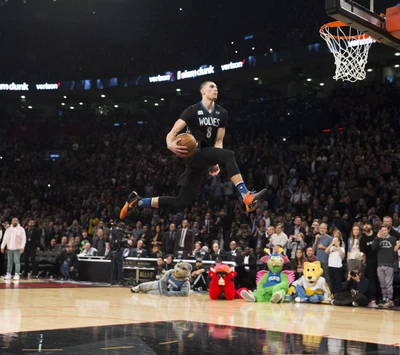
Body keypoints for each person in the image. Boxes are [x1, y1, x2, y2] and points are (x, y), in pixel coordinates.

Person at [120, 81, 267, 218]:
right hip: (194, 151)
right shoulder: (192, 110)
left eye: (216, 87)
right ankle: (246, 195)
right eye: (211, 87)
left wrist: (215, 161)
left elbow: (219, 140)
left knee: (181, 202)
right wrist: (170, 144)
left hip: (203, 158)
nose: (215, 89)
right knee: (230, 155)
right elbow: (172, 133)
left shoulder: (222, 113)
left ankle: (138, 201)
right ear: (202, 91)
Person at [372, 224, 400, 308]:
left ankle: (390, 300)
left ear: (388, 230)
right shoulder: (377, 239)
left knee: (388, 284)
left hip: (389, 264)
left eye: (385, 230)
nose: (384, 231)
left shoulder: (392, 239)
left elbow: (394, 250)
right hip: (380, 264)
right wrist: (377, 238)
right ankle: (384, 299)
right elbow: (373, 248)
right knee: (382, 284)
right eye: (382, 230)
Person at [360, 221, 379, 307]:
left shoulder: (376, 235)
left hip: (379, 260)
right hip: (370, 261)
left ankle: (381, 298)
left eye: (368, 224)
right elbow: (363, 253)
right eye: (365, 225)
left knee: (380, 280)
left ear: (371, 226)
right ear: (363, 227)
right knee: (372, 280)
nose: (366, 226)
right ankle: (373, 299)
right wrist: (364, 263)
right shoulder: (362, 239)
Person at [325, 229, 345, 294]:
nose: (336, 242)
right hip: (331, 266)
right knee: (332, 281)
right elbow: (326, 251)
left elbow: (341, 254)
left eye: (337, 241)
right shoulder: (331, 248)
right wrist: (332, 244)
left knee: (338, 281)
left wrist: (338, 246)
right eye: (335, 240)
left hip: (338, 266)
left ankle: (338, 294)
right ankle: (333, 294)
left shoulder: (341, 248)